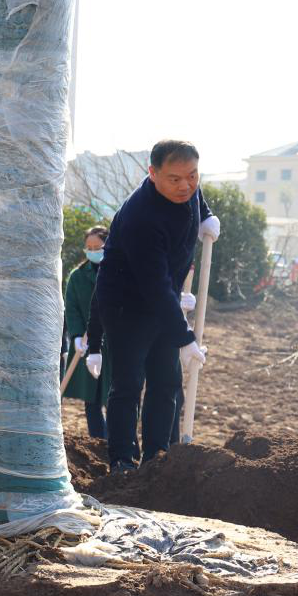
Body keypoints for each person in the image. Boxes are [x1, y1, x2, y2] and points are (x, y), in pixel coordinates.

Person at [90, 139, 218, 473]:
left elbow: (195, 196)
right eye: (174, 179)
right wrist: (185, 337)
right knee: (129, 382)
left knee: (166, 380)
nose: (185, 185)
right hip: (125, 304)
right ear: (152, 173)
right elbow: (154, 286)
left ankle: (158, 458)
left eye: (192, 175)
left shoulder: (188, 190)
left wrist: (205, 216)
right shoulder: (141, 217)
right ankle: (122, 461)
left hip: (162, 299)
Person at [63, 227, 112, 440]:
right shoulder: (77, 277)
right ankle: (98, 441)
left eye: (97, 247)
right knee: (91, 397)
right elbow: (71, 308)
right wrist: (75, 336)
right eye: (89, 248)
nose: (92, 251)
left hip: (113, 344)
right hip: (86, 341)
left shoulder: (117, 272)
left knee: (114, 396)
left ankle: (116, 439)